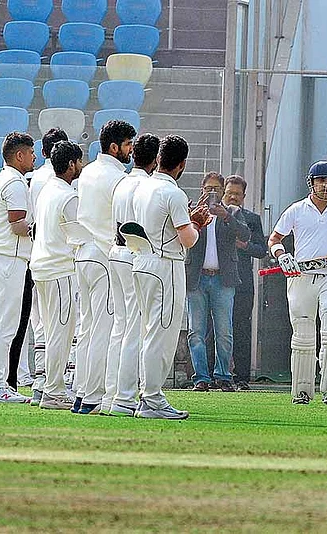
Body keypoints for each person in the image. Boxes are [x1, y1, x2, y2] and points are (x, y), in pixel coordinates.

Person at [124, 134, 210, 419]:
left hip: (141, 261)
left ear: (159, 158)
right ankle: (151, 399)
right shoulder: (174, 193)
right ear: (182, 164)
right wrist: (196, 222)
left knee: (149, 332)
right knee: (161, 334)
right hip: (165, 265)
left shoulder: (143, 187)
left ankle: (146, 396)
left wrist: (188, 221)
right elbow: (188, 239)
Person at [267, 160, 327, 405]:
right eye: (321, 181)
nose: (325, 185)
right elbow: (274, 239)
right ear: (311, 183)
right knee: (303, 335)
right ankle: (302, 392)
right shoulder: (296, 210)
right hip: (302, 277)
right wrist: (282, 255)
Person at [73, 120, 136, 414]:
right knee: (103, 328)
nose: (131, 150)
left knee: (87, 327)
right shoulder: (119, 178)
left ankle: (82, 391)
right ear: (114, 147)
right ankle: (94, 396)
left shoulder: (87, 171)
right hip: (103, 255)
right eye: (127, 144)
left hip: (83, 254)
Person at [0, 132, 36, 403]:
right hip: (7, 259)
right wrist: (43, 228)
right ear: (19, 155)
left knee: (5, 324)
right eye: (31, 153)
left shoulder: (9, 179)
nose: (34, 157)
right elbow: (17, 225)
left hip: (3, 258)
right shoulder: (14, 183)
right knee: (4, 325)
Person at [105, 133, 160, 416]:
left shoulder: (123, 181)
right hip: (134, 254)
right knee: (135, 328)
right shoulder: (146, 185)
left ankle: (111, 393)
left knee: (121, 326)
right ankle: (125, 397)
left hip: (116, 252)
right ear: (156, 159)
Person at [29, 140, 84, 410]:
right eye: (79, 161)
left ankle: (49, 388)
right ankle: (53, 391)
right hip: (59, 270)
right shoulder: (67, 195)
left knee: (52, 332)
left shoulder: (47, 190)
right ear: (71, 164)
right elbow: (79, 237)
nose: (81, 166)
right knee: (61, 333)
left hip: (41, 268)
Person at [186, 172, 251, 392]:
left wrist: (226, 217)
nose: (211, 193)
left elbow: (245, 235)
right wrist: (192, 216)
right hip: (197, 278)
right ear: (201, 189)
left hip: (223, 279)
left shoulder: (232, 212)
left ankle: (223, 375)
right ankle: (201, 377)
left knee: (224, 331)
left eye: (216, 189)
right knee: (196, 330)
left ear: (223, 191)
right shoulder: (194, 213)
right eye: (208, 188)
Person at [27, 127, 69, 405]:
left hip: (37, 257)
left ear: (43, 151)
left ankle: (41, 382)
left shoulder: (36, 179)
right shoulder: (61, 183)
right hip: (58, 261)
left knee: (41, 324)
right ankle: (58, 383)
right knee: (61, 326)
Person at [221, 174, 267, 390]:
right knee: (216, 328)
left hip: (243, 282)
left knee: (241, 328)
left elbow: (261, 250)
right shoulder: (215, 216)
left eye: (237, 194)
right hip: (219, 280)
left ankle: (242, 378)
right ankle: (213, 374)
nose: (233, 197)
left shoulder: (252, 219)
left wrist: (245, 246)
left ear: (244, 196)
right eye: (229, 193)